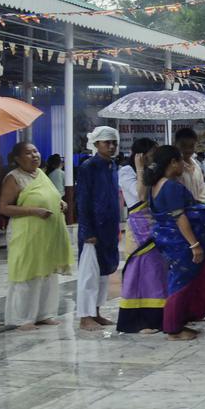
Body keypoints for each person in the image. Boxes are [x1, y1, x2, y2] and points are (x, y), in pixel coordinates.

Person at [145, 145, 205, 341]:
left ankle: (177, 323)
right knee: (180, 283)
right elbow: (180, 217)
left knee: (177, 281)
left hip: (168, 240)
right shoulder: (170, 186)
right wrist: (194, 245)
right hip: (180, 241)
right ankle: (173, 329)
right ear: (172, 162)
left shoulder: (155, 185)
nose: (184, 166)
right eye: (181, 161)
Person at [0, 142, 72, 329]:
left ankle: (44, 313)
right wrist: (33, 211)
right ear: (17, 158)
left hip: (48, 234)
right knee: (27, 273)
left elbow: (49, 195)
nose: (34, 155)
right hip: (26, 233)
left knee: (46, 273)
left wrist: (61, 203)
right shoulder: (14, 178)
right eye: (28, 153)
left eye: (36, 151)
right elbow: (3, 207)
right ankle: (21, 318)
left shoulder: (41, 174)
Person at [117, 138, 168, 334]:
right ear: (140, 154)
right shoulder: (126, 171)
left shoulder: (153, 171)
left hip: (156, 224)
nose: (153, 158)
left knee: (156, 272)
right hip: (139, 228)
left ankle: (156, 317)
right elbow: (139, 195)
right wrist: (140, 169)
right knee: (139, 272)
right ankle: (138, 321)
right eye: (151, 154)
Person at [75, 126, 121, 331]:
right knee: (89, 274)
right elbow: (83, 201)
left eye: (114, 143)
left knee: (104, 272)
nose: (111, 146)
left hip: (109, 228)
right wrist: (87, 231)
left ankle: (96, 311)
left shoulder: (112, 166)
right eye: (106, 143)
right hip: (92, 230)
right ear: (96, 145)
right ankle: (85, 316)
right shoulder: (88, 167)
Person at [174, 128, 205, 204]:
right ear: (175, 144)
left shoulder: (197, 167)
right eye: (183, 146)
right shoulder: (173, 167)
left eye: (191, 146)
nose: (188, 150)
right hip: (179, 212)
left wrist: (202, 205)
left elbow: (202, 190)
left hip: (196, 211)